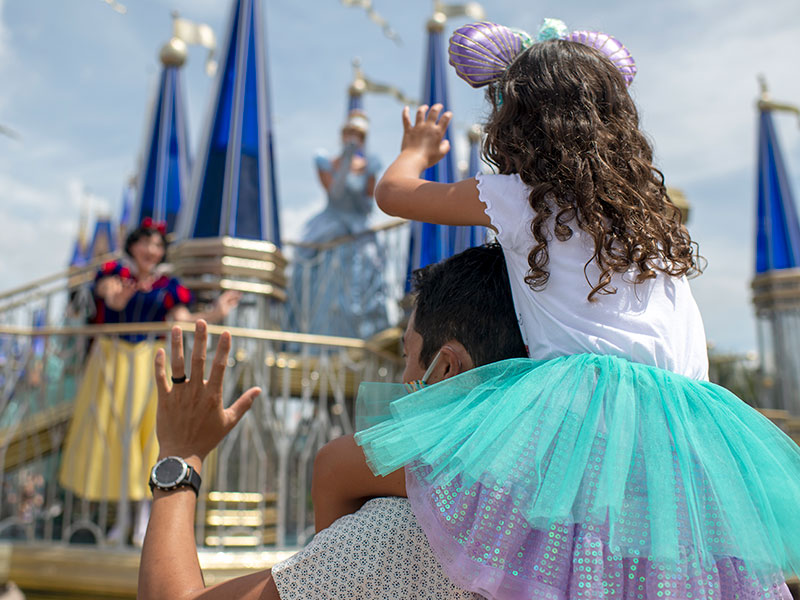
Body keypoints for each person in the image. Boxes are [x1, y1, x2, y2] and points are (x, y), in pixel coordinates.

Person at [315, 19, 800, 600]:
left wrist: (416, 151)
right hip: (689, 424)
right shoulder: (650, 216)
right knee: (666, 564)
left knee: (353, 467)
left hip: (579, 411)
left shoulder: (522, 198)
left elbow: (393, 195)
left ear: (516, 122)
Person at [137, 243, 528, 599]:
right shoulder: (567, 538)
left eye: (406, 353)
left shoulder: (394, 537)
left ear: (444, 367)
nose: (400, 375)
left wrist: (180, 456)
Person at [58, 218, 240, 546]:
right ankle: (122, 521)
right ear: (132, 245)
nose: (151, 250)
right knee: (114, 437)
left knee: (149, 440)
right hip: (112, 362)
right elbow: (108, 295)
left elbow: (182, 320)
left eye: (157, 245)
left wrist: (216, 312)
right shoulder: (115, 272)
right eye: (145, 242)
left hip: (148, 363)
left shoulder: (169, 286)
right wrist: (116, 299)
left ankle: (143, 520)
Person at [287, 109, 388, 339]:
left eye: (359, 135)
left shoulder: (370, 165)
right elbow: (335, 193)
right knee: (322, 292)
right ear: (342, 135)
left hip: (359, 235)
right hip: (330, 231)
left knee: (363, 289)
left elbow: (368, 200)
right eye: (350, 133)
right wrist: (345, 164)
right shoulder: (325, 162)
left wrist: (362, 170)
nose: (353, 138)